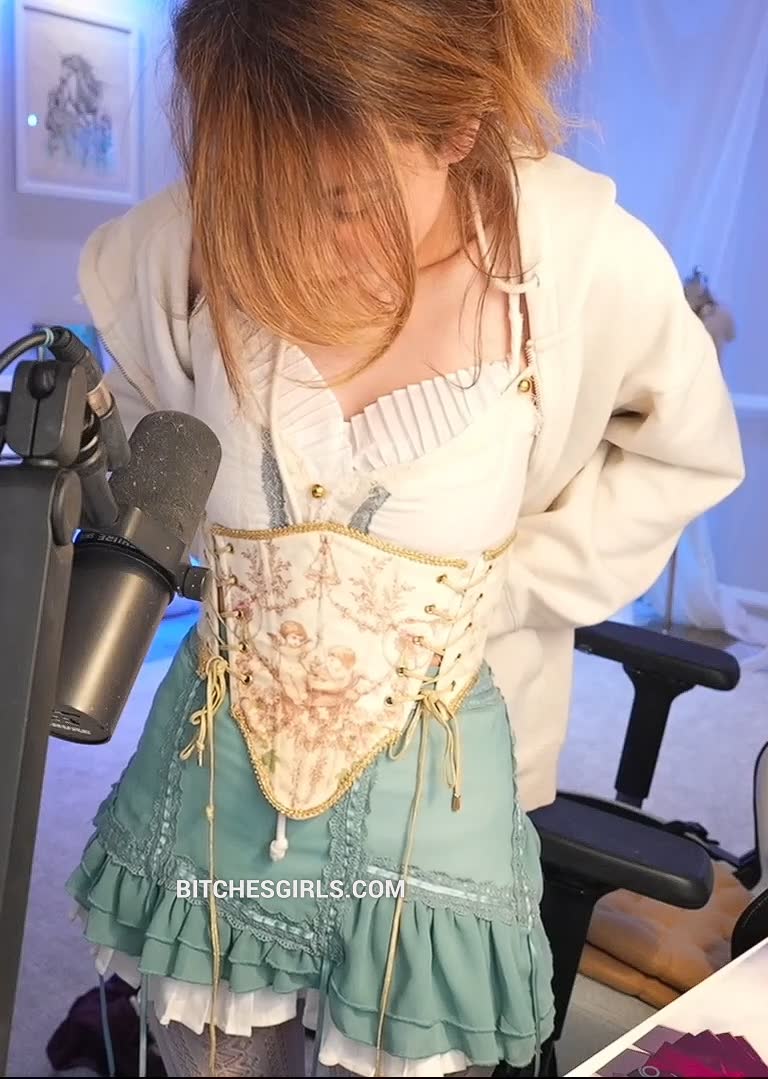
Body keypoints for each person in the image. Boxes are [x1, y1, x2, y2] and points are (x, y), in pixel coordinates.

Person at [65, 1, 745, 1076]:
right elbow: (151, 458)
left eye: (339, 199)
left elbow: (683, 457)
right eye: (258, 191)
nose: (292, 240)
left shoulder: (580, 267)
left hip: (440, 794)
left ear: (459, 125)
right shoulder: (177, 248)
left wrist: (505, 585)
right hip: (219, 775)